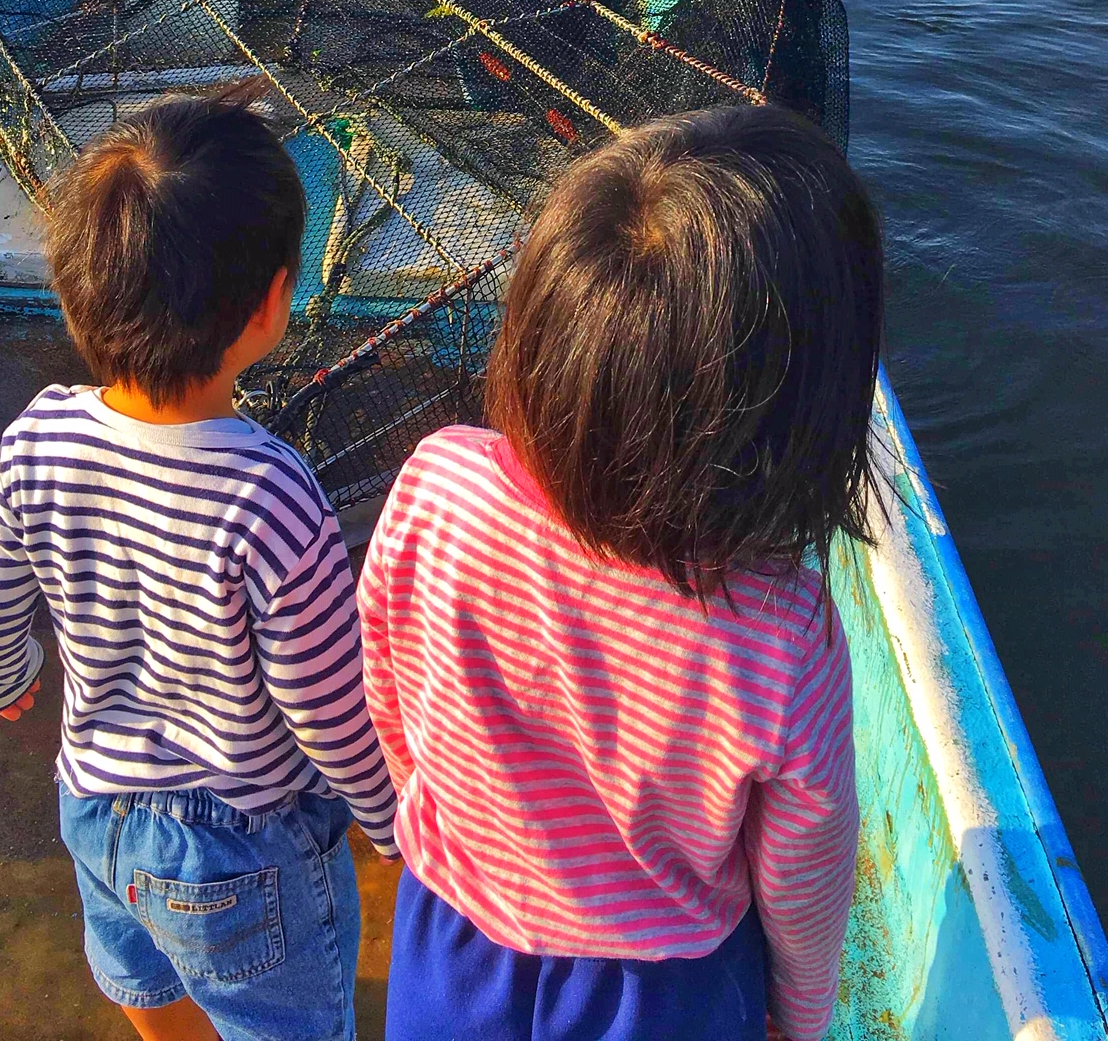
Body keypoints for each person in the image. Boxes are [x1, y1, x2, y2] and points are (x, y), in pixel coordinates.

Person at [358, 102, 883, 1041]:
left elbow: (391, 686)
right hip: (663, 995)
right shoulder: (784, 627)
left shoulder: (439, 483)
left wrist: (417, 814)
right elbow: (803, 871)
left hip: (451, 944)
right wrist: (798, 1018)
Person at [0, 88, 397, 1041]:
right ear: (271, 302)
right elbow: (326, 706)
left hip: (97, 807)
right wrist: (393, 820)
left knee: (144, 983)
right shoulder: (273, 496)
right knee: (285, 1021)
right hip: (242, 844)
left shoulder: (39, 438)